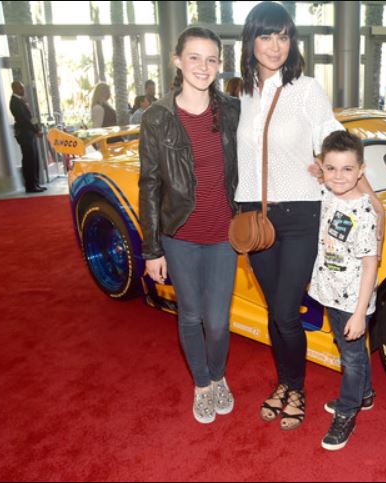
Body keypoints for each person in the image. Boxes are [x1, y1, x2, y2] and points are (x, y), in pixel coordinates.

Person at [235, 1, 384, 431]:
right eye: (266, 35)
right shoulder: (240, 93)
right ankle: (284, 383)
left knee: (285, 310)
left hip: (302, 214)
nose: (276, 45)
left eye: (283, 36)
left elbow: (334, 139)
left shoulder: (305, 89)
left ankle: (295, 387)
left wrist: (368, 193)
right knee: (273, 310)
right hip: (254, 216)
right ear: (250, 40)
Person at [139, 26, 240, 424]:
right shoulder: (157, 117)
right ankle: (202, 383)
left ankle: (219, 376)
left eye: (211, 58)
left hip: (224, 235)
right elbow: (149, 183)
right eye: (194, 57)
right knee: (191, 315)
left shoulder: (232, 110)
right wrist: (152, 251)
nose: (203, 66)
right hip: (179, 234)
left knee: (218, 320)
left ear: (219, 64)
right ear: (177, 60)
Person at [308, 130, 378, 451]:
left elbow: (369, 265)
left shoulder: (364, 213)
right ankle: (364, 394)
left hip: (353, 300)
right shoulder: (326, 193)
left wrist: (361, 312)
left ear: (361, 171)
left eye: (347, 169)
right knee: (346, 345)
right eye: (331, 168)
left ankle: (347, 412)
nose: (339, 176)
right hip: (328, 291)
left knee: (350, 358)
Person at [9, 81, 45, 193]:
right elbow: (24, 120)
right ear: (14, 88)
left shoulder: (22, 100)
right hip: (25, 134)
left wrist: (37, 128)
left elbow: (31, 117)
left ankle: (36, 183)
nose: (23, 90)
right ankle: (30, 186)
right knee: (29, 160)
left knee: (34, 158)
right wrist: (36, 130)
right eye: (20, 88)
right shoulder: (14, 102)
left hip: (30, 133)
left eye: (23, 88)